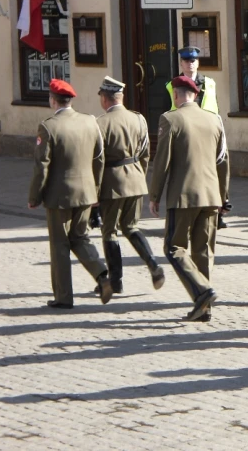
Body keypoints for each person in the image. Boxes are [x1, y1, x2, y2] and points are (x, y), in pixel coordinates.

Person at [149, 75, 229, 322]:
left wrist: (154, 195)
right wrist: (223, 196)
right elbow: (223, 160)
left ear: (175, 94)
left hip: (183, 196)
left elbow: (162, 161)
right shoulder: (214, 120)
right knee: (203, 251)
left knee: (173, 248)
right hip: (211, 196)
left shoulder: (170, 119)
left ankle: (202, 292)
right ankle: (204, 309)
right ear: (195, 95)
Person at [28, 79, 114, 309]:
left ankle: (63, 297)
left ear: (52, 100)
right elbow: (99, 159)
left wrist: (34, 196)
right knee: (80, 238)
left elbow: (42, 166)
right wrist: (95, 190)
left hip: (59, 196)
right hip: (86, 193)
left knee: (59, 245)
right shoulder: (90, 121)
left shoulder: (48, 127)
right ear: (71, 100)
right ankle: (102, 274)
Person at [95, 77, 165, 295]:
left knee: (109, 232)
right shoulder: (139, 119)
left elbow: (97, 160)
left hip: (112, 183)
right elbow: (145, 154)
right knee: (131, 227)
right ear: (121, 97)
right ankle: (153, 264)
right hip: (135, 181)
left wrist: (95, 190)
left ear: (105, 99)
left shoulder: (100, 124)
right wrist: (138, 176)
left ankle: (116, 281)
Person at [165, 46, 230, 229]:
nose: (190, 64)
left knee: (219, 168)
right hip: (187, 132)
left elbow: (215, 107)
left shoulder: (209, 82)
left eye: (193, 61)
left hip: (208, 131)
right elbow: (171, 110)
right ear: (181, 63)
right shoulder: (173, 85)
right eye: (186, 61)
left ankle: (220, 209)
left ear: (198, 62)